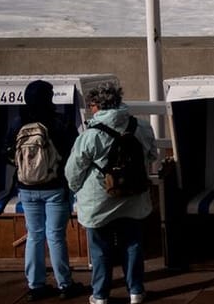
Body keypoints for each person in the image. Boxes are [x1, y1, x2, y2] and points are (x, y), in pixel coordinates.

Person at [63, 80, 156, 304]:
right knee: (133, 244)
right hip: (133, 195)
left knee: (100, 249)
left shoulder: (90, 135)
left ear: (96, 105)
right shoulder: (140, 126)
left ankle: (100, 295)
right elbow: (151, 155)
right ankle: (135, 291)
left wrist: (77, 190)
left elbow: (73, 170)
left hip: (99, 199)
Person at [12, 79, 84, 300]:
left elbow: (6, 151)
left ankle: (36, 285)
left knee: (34, 235)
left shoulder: (18, 122)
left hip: (26, 188)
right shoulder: (58, 122)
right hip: (54, 187)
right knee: (55, 236)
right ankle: (65, 284)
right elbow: (74, 149)